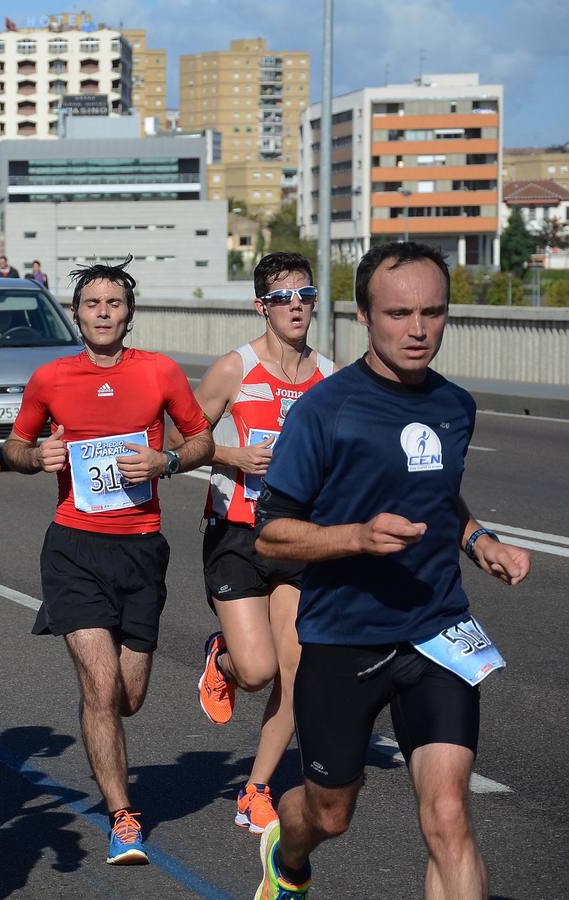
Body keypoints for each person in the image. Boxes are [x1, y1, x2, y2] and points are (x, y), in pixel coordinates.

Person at [251, 241, 532, 900]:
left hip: (437, 632)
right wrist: (355, 537)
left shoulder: (455, 406)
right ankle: (286, 854)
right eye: (398, 313)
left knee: (448, 815)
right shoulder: (325, 411)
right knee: (329, 815)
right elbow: (270, 533)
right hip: (343, 639)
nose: (417, 329)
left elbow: (436, 495)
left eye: (433, 312)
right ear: (362, 315)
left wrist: (478, 539)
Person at [2, 256, 213, 865]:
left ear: (129, 314)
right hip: (74, 548)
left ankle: (108, 712)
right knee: (99, 686)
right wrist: (35, 457)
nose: (102, 313)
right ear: (76, 313)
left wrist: (166, 462)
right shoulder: (51, 378)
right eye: (92, 303)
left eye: (113, 304)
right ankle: (123, 816)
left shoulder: (159, 372)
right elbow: (15, 445)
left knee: (127, 697)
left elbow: (201, 438)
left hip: (141, 549)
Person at [191, 252, 333, 836]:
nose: (296, 306)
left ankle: (255, 790)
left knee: (296, 671)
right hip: (237, 532)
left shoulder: (331, 377)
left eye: (305, 295)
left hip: (297, 537)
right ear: (261, 307)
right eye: (282, 297)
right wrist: (233, 455)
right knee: (256, 671)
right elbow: (183, 439)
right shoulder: (235, 368)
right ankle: (222, 658)